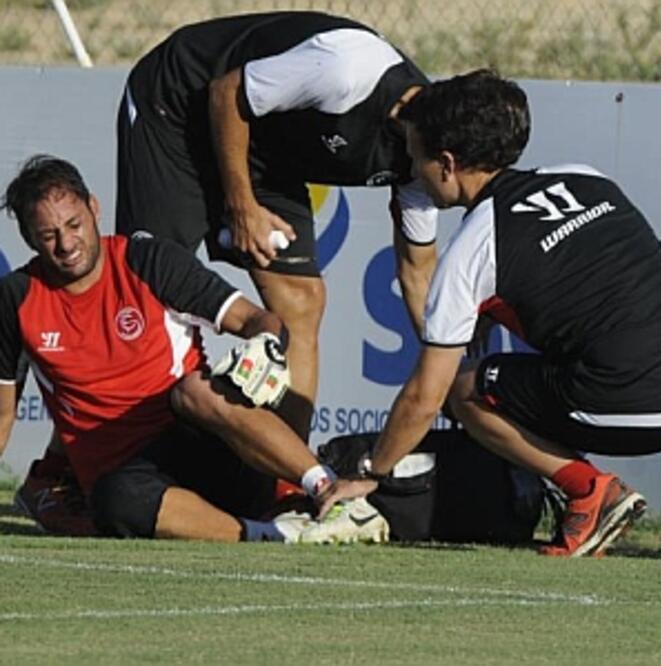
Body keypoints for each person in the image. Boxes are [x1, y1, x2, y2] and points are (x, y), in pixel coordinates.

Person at [324, 70, 661, 560]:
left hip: (643, 403)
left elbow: (426, 397)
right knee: (619, 339)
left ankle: (589, 492)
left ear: (447, 164)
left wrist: (371, 473)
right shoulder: (585, 177)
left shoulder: (472, 249)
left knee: (463, 390)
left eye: (414, 155)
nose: (411, 168)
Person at [0, 154, 379, 543]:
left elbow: (258, 320)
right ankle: (269, 535)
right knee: (114, 501)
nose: (66, 244)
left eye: (73, 224)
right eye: (48, 235)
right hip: (130, 479)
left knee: (195, 389)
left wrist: (265, 346)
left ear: (94, 208)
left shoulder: (148, 261)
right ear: (30, 239)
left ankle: (331, 492)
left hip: (207, 447)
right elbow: (2, 413)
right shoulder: (16, 299)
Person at [116, 11, 439, 438]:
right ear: (440, 156)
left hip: (265, 146)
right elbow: (226, 94)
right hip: (182, 106)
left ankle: (287, 482)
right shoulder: (348, 69)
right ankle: (65, 467)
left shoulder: (426, 158)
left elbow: (417, 274)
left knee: (301, 302)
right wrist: (242, 206)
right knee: (145, 292)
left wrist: (448, 363)